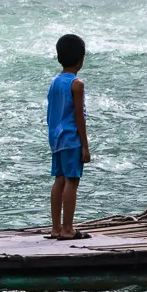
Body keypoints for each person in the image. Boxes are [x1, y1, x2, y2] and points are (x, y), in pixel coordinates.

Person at [47, 33, 92, 240]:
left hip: (55, 138)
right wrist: (85, 145)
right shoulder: (77, 84)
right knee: (72, 181)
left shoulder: (55, 82)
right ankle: (68, 229)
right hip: (71, 138)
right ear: (81, 59)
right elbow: (79, 117)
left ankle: (55, 228)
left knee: (59, 179)